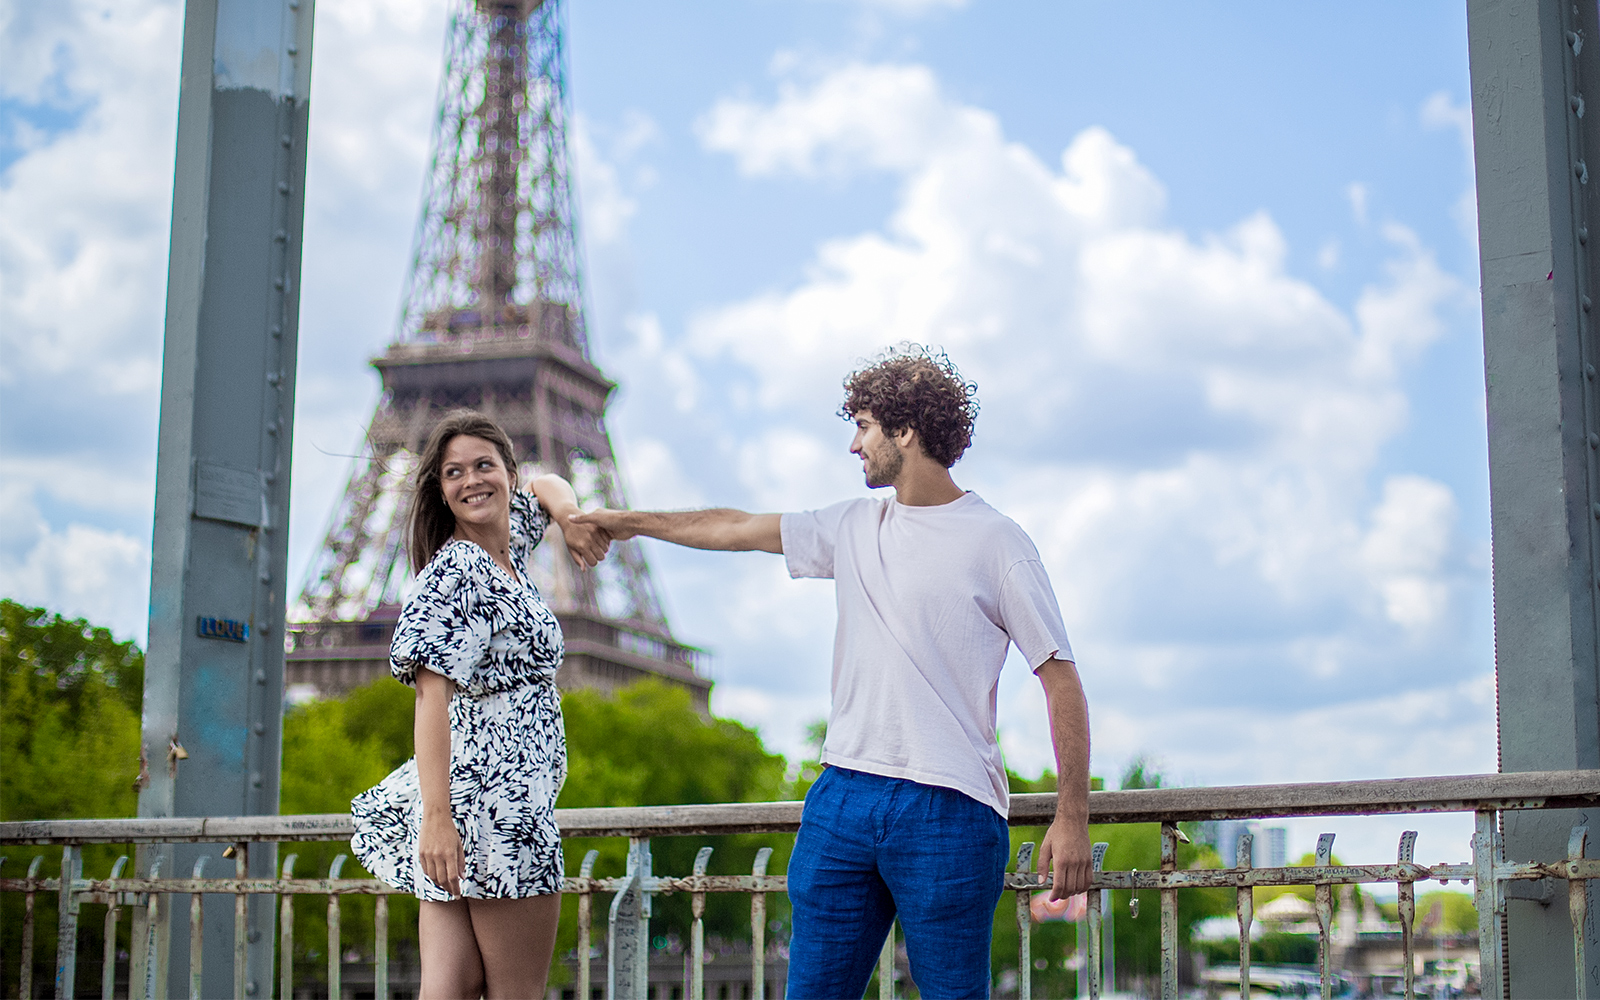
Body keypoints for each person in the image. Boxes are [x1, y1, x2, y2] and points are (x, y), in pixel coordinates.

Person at [573, 346, 1093, 998]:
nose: (853, 445)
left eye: (864, 427)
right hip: (842, 795)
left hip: (950, 807)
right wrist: (623, 522)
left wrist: (1072, 816)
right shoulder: (852, 524)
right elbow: (735, 526)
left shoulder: (998, 543)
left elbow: (1061, 679)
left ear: (906, 431)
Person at [350, 409, 611, 999]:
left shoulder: (504, 546)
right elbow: (430, 695)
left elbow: (549, 484)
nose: (471, 480)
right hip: (500, 811)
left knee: (450, 989)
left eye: (484, 465)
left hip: (471, 804)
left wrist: (570, 519)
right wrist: (436, 819)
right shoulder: (461, 569)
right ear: (440, 490)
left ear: (509, 473)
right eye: (454, 472)